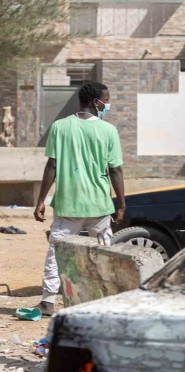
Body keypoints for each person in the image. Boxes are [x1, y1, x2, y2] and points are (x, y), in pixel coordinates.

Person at [33, 81, 125, 316]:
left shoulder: (60, 127)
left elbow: (51, 165)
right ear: (96, 102)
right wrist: (121, 203)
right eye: (107, 98)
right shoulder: (108, 130)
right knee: (105, 250)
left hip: (68, 204)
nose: (108, 103)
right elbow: (115, 170)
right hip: (98, 204)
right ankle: (108, 298)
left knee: (57, 251)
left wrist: (41, 200)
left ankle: (48, 301)